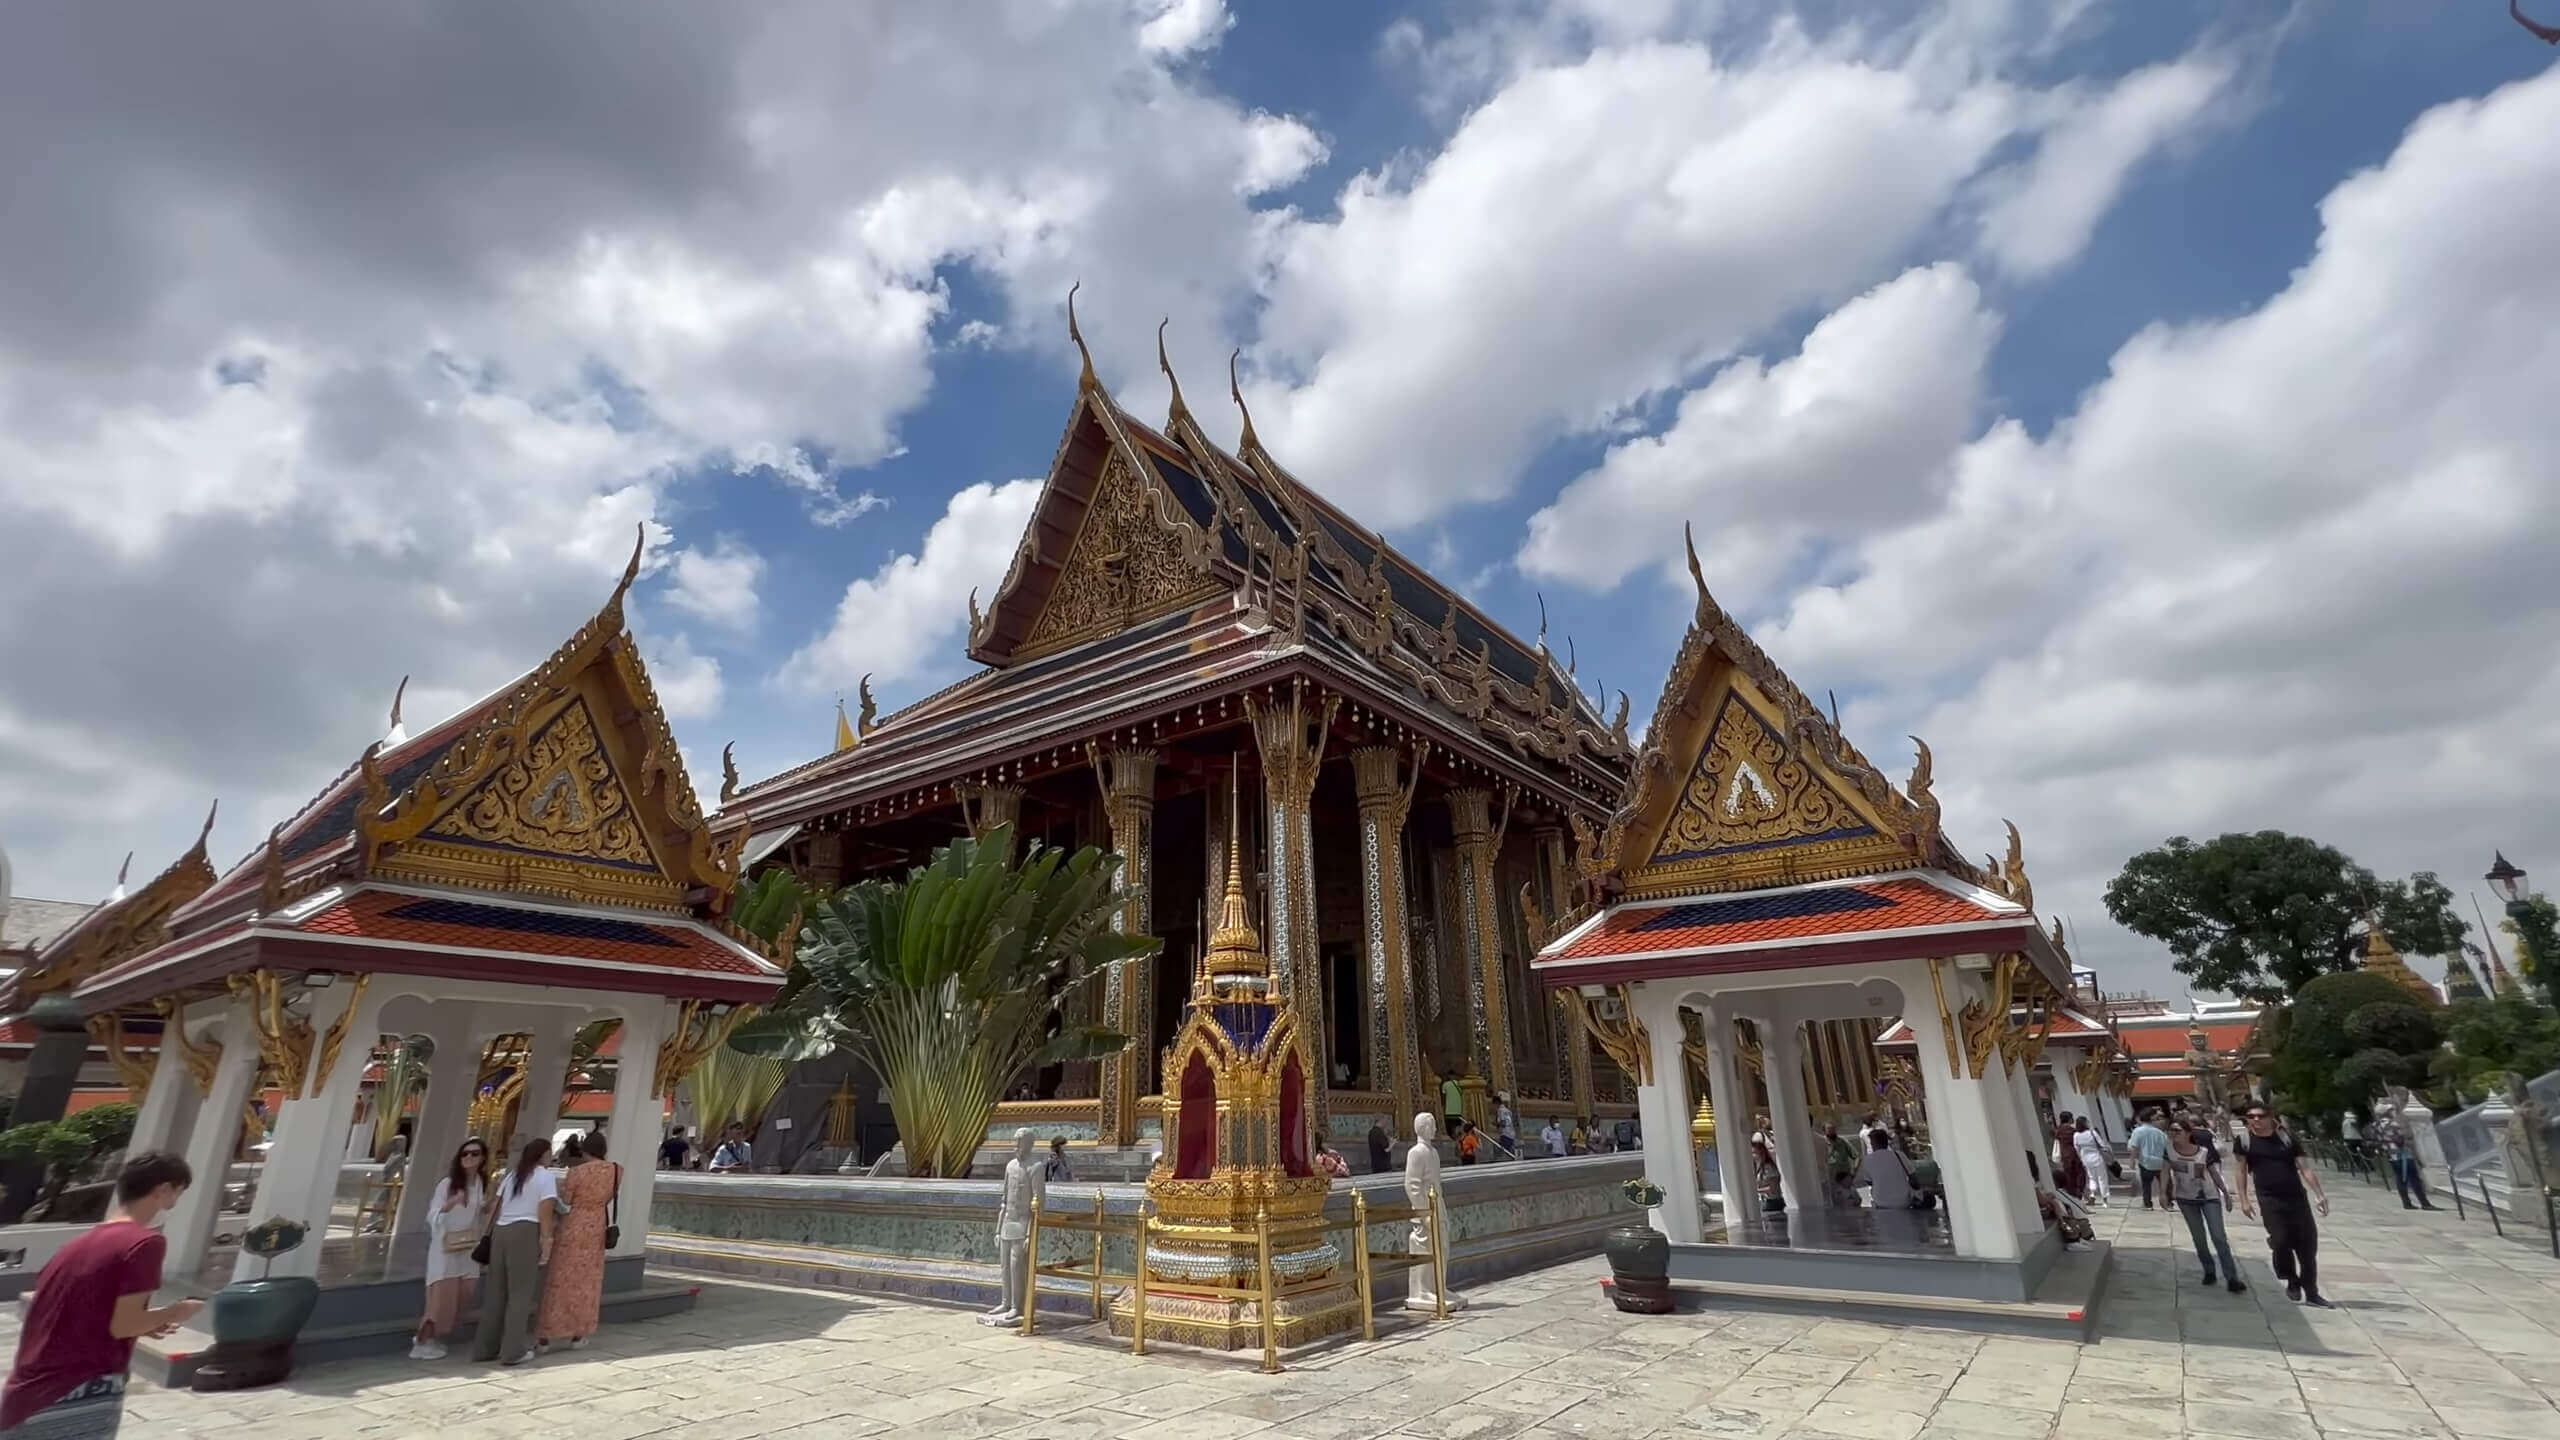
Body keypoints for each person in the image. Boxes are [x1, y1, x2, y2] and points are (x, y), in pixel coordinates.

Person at [1, 1153, 202, 1436]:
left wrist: (148, 1322)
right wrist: (176, 1312)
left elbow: (84, 1312)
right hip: (77, 1392)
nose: (175, 1202)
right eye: (178, 1192)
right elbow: (124, 1325)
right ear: (164, 1189)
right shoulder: (144, 1243)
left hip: (26, 1394)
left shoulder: (79, 1244)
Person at [2234, 1103, 2331, 1307]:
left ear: (2270, 1117)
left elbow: (2304, 1168)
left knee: (2307, 1248)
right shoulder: (2244, 1141)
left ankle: (2312, 1292)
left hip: (2296, 1197)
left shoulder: (2287, 1139)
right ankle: (2291, 1278)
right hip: (2269, 1198)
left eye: (2260, 1116)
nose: (2255, 1120)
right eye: (2251, 1117)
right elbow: (2241, 1170)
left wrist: (2319, 1194)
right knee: (2280, 1241)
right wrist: (2243, 1199)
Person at [475, 1137, 559, 1365]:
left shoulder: (512, 1175)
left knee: (496, 1293)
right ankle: (513, 1350)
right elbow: (545, 1213)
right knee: (520, 1294)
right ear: (543, 1155)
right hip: (525, 1231)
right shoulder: (545, 1177)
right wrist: (546, 1243)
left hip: (502, 1232)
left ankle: (485, 1348)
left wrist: (487, 1234)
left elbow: (496, 1207)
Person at [411, 1138, 490, 1360]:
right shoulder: (447, 1184)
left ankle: (437, 1337)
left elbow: (476, 1211)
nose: (469, 1158)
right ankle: (422, 1341)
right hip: (445, 1247)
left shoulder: (479, 1183)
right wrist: (451, 1203)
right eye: (465, 1154)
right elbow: (432, 1215)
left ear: (482, 1158)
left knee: (464, 1292)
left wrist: (485, 1207)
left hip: (467, 1246)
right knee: (439, 1298)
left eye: (474, 1154)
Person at [539, 1134, 618, 1354]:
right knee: (588, 1282)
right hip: (596, 1227)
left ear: (584, 1150)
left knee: (560, 1278)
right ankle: (579, 1333)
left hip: (572, 1225)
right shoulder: (616, 1171)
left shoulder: (576, 1172)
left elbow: (566, 1201)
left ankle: (546, 1334)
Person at [2163, 1126, 2246, 1292]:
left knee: (2218, 1237)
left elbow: (2214, 1173)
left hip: (2209, 1197)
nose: (2173, 1134)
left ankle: (2232, 1277)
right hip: (2185, 1199)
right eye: (2171, 1130)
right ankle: (2209, 1270)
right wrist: (2163, 1193)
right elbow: (2164, 1172)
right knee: (2199, 1238)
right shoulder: (2168, 1151)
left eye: (2178, 1130)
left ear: (2188, 1133)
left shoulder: (2203, 1151)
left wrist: (2225, 1193)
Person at [2380, 1116, 2436, 1210]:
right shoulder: (2393, 1124)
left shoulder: (2378, 1125)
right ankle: (2424, 1203)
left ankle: (2406, 1203)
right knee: (2414, 1180)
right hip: (2403, 1155)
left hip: (2392, 1155)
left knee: (2400, 1180)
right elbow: (2401, 1139)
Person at [1857, 1128, 1915, 1210]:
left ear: (1873, 1143)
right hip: (1903, 1201)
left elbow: (1869, 1181)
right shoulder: (1899, 1155)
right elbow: (1913, 1175)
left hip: (1881, 1202)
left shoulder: (1867, 1160)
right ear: (1886, 1142)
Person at [2129, 1111, 2168, 1209]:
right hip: (2160, 1161)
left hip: (2145, 1161)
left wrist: (2132, 1160)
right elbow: (2166, 1146)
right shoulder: (2160, 1132)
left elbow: (2134, 1147)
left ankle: (2147, 1203)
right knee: (2164, 1183)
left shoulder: (2138, 1131)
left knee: (2146, 1184)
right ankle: (2168, 1202)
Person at [2072, 1118, 2112, 1207]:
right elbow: (2102, 1144)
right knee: (2102, 1178)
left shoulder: (2076, 1135)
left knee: (2091, 1177)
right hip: (2096, 1157)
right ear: (2085, 1123)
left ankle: (2092, 1195)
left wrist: (2081, 1158)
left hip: (2085, 1159)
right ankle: (2105, 1200)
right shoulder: (2092, 1132)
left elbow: (2077, 1148)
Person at [1824, 1124, 1860, 1206]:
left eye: (1833, 1129)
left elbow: (1857, 1156)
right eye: (1829, 1130)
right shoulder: (1823, 1143)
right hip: (1831, 1181)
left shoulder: (1842, 1142)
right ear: (1825, 1131)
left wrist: (1853, 1172)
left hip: (1845, 1180)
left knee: (1853, 1201)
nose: (1832, 1132)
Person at [1493, 1093, 1518, 1158]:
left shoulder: (1500, 1110)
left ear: (1496, 1103)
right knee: (1509, 1151)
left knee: (1505, 1153)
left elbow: (1503, 1123)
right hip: (1511, 1133)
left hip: (1505, 1134)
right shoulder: (1508, 1110)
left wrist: (1495, 1124)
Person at [1440, 1073, 1464, 1138]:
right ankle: (1458, 1137)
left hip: (1449, 1110)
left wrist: (1442, 1105)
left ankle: (1453, 1136)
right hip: (1458, 1110)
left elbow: (1443, 1096)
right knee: (1457, 1125)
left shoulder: (1445, 1085)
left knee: (1450, 1125)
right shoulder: (1460, 1084)